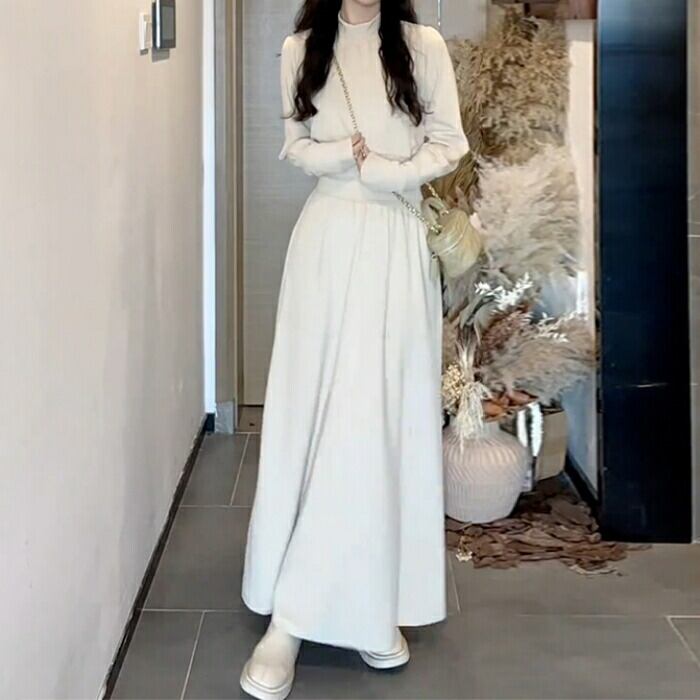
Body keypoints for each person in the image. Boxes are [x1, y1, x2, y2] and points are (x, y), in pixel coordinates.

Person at [240, 1, 468, 697]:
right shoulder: (300, 49)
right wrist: (346, 155)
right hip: (326, 241)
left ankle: (373, 604)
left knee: (378, 421)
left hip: (395, 241)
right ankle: (292, 616)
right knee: (318, 417)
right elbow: (293, 144)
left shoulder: (423, 45)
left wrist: (388, 172)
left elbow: (450, 142)